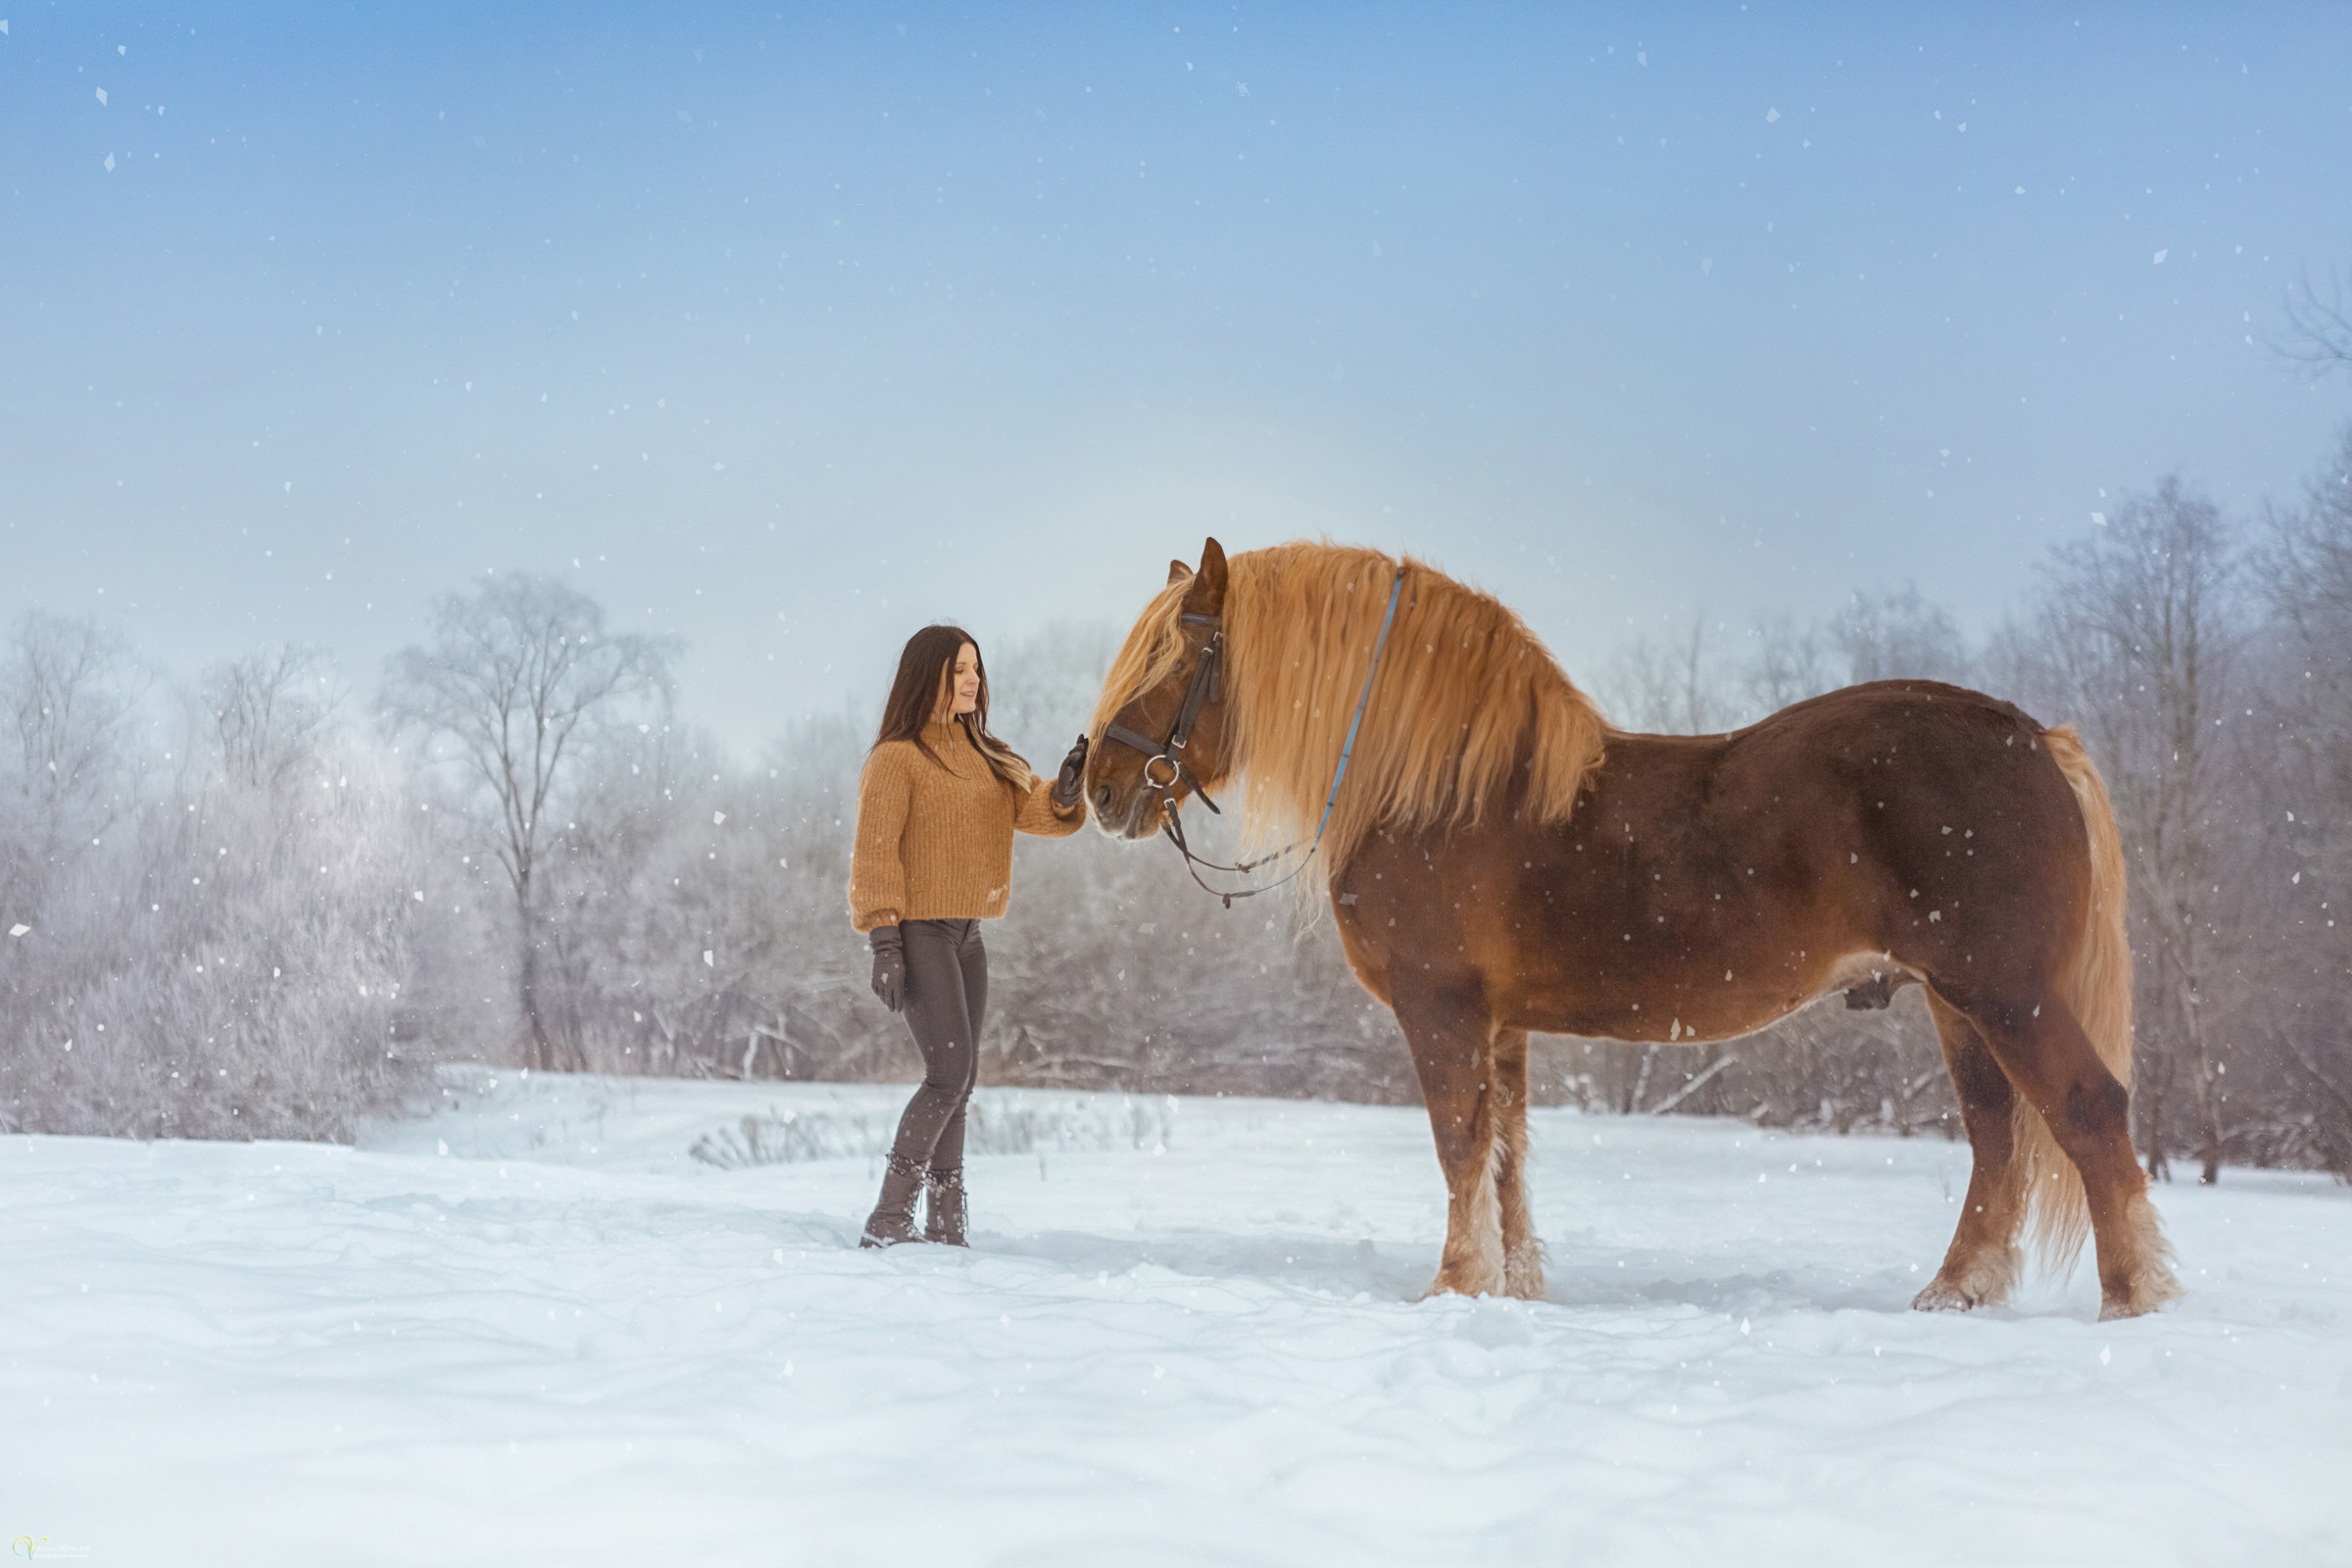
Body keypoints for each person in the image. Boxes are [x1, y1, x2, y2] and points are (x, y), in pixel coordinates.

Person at [848, 624, 1089, 1248]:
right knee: (948, 1075)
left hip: (968, 937)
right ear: (927, 675)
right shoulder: (896, 758)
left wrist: (1063, 790)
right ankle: (889, 1218)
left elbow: (1032, 810)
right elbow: (876, 856)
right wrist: (885, 943)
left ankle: (946, 1224)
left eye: (975, 668)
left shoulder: (986, 754)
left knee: (962, 1079)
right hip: (919, 932)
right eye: (959, 669)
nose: (972, 679)